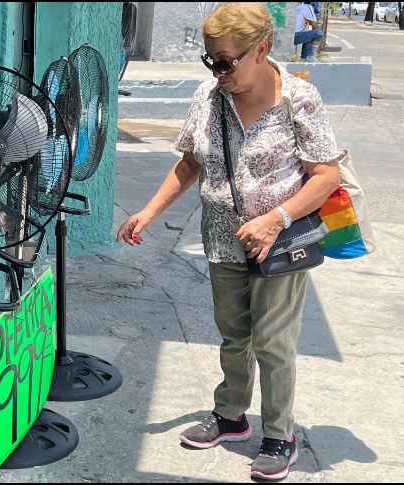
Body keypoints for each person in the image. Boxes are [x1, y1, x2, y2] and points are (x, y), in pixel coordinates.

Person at [116, 2, 340, 481]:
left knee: (273, 343)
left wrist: (276, 219)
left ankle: (280, 435)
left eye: (226, 61)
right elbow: (190, 162)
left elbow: (325, 176)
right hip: (221, 239)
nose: (217, 71)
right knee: (234, 335)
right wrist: (148, 213)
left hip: (278, 243)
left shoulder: (299, 98)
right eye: (210, 60)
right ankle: (231, 415)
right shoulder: (209, 96)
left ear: (261, 50)